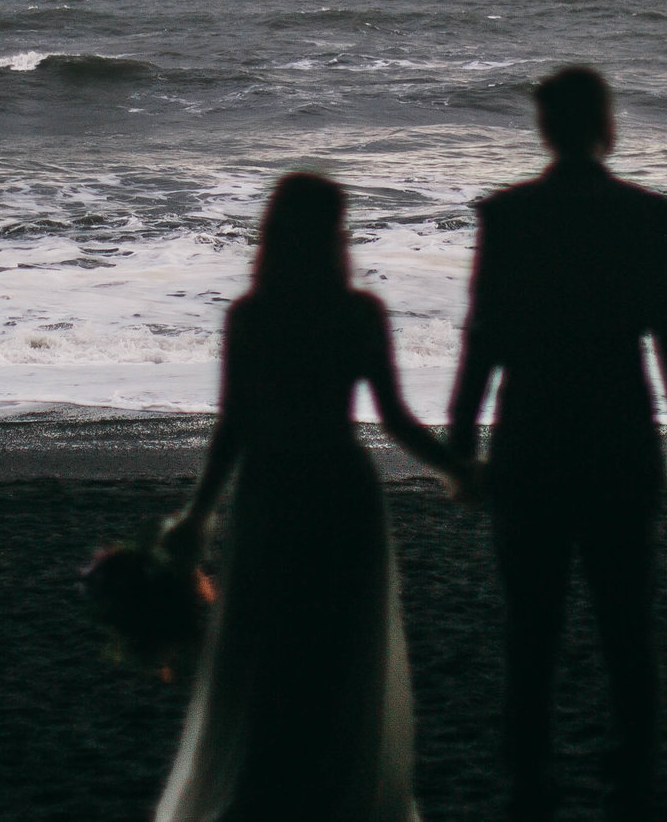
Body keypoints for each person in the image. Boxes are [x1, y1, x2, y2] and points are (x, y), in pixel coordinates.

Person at [156, 171, 474, 822]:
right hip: (340, 491)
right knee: (336, 659)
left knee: (270, 657)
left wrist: (200, 510)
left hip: (272, 493)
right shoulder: (358, 313)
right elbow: (394, 418)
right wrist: (458, 468)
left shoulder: (251, 316)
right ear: (332, 237)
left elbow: (234, 425)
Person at [447, 66, 667, 822]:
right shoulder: (647, 215)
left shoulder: (507, 216)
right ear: (605, 125)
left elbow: (483, 336)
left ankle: (530, 775)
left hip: (530, 434)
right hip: (619, 434)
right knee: (626, 617)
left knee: (532, 624)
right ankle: (633, 769)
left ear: (544, 129)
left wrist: (461, 439)